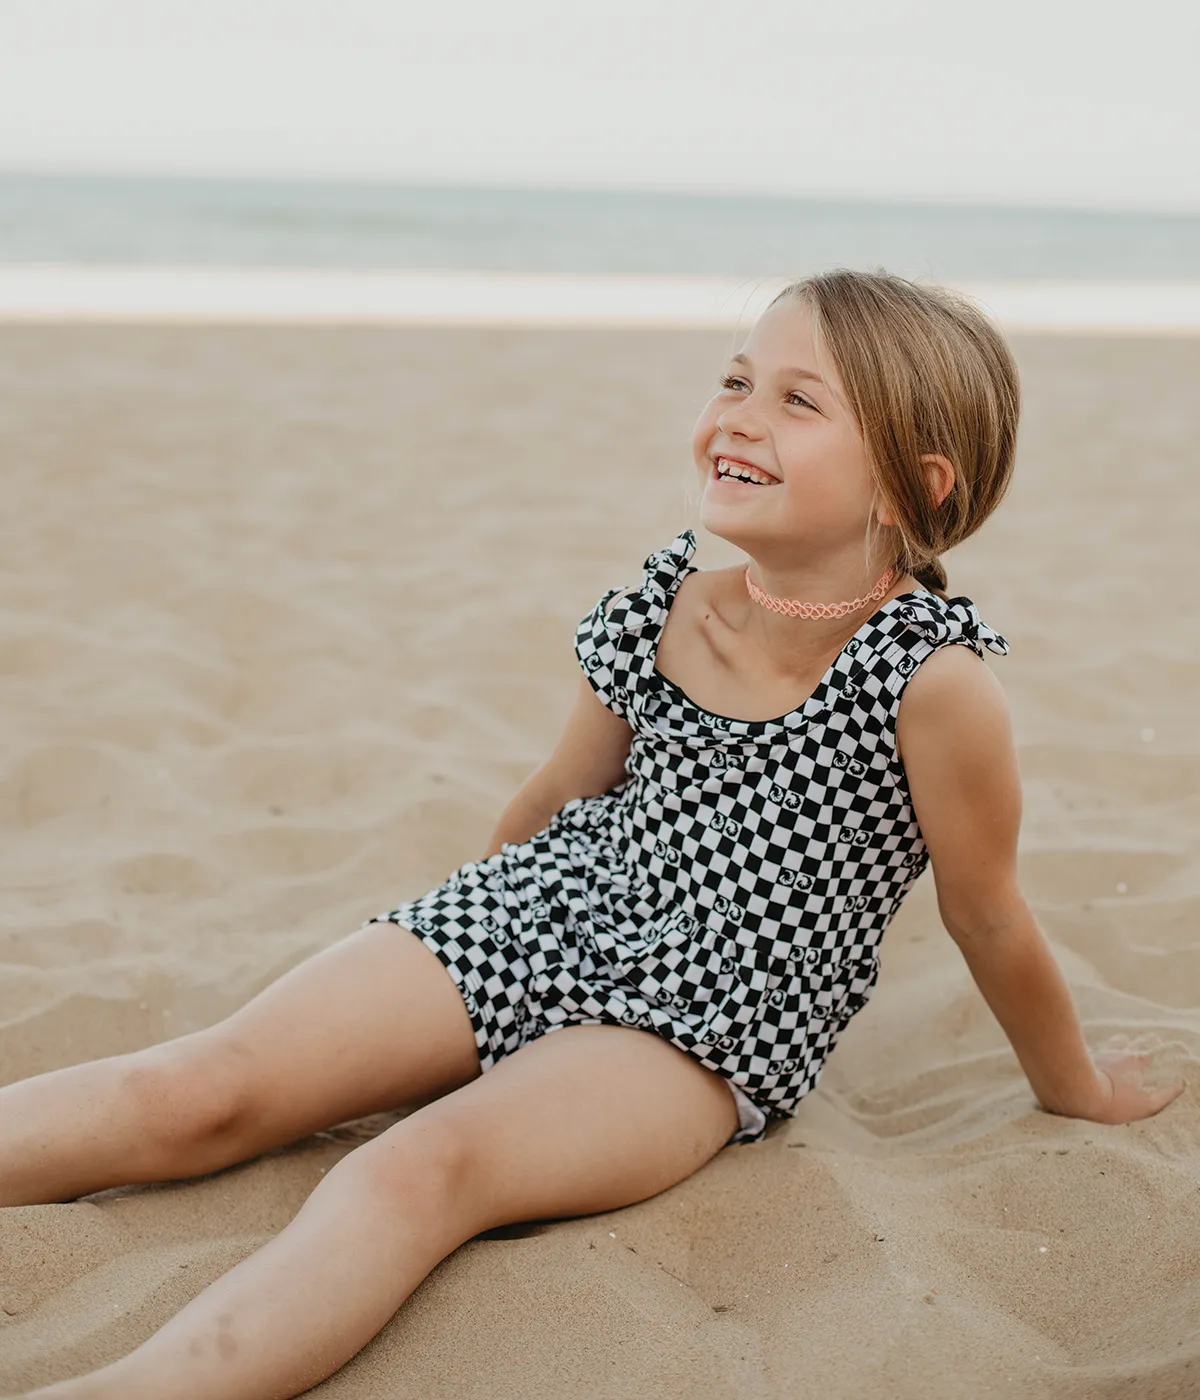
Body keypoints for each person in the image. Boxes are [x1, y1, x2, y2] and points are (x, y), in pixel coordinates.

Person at [3, 269, 1184, 1400]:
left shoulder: (933, 680)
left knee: (415, 1168)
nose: (740, 417)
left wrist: (1073, 1085)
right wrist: (442, 948)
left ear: (911, 489)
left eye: (797, 399)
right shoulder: (661, 608)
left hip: (707, 1014)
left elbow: (986, 910)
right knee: (201, 1087)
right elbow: (552, 798)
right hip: (548, 909)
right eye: (735, 379)